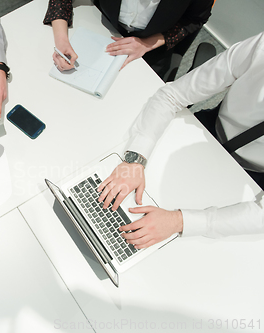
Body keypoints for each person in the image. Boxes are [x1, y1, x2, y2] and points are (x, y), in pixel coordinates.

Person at [96, 31, 264, 249]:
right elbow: (172, 95)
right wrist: (135, 159)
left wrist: (179, 221)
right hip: (211, 129)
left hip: (254, 176)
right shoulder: (260, 47)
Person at [44, 0, 213, 77]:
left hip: (151, 47)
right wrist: (62, 41)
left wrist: (148, 43)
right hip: (102, 23)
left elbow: (195, 19)